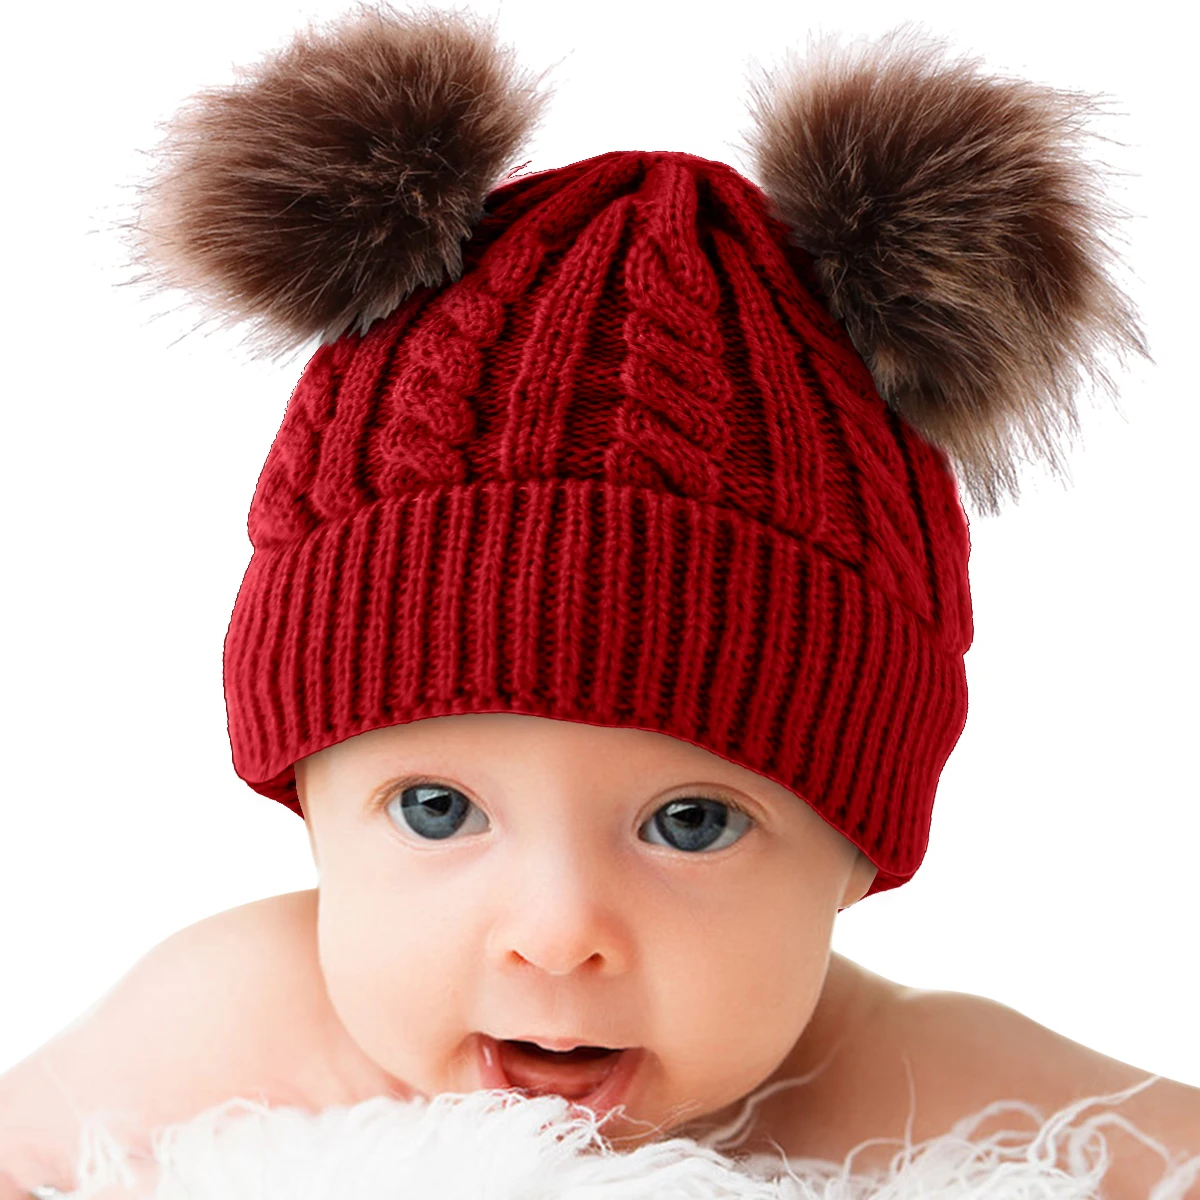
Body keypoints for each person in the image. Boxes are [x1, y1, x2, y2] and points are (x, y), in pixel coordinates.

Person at [2, 5, 1197, 1197]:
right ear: (305, 802)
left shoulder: (917, 1090)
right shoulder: (226, 1033)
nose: (558, 933)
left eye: (694, 823)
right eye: (434, 810)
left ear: (856, 852)